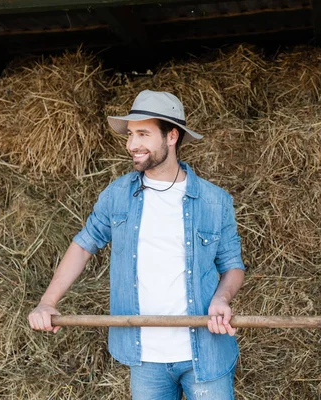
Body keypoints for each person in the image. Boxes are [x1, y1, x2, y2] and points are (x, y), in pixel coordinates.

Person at [28, 90, 246, 399]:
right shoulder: (117, 194)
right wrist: (48, 302)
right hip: (146, 359)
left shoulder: (214, 201)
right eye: (130, 135)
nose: (132, 145)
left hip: (206, 351)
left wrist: (221, 298)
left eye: (142, 134)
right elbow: (83, 245)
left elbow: (232, 266)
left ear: (171, 136)